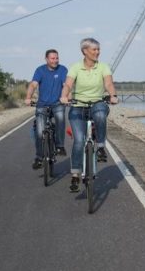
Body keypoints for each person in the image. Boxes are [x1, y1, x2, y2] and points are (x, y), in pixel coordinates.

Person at [59, 38, 118, 192]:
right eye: (94, 50)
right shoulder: (76, 67)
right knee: (79, 141)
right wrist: (64, 96)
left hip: (97, 103)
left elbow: (108, 84)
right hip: (78, 106)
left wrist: (113, 95)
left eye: (98, 49)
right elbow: (68, 84)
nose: (97, 52)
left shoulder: (103, 67)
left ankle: (100, 147)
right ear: (85, 51)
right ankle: (75, 175)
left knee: (100, 114)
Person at [25, 49, 68, 170]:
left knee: (60, 118)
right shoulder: (40, 70)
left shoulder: (63, 69)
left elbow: (66, 85)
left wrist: (67, 97)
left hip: (57, 104)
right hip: (42, 105)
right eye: (52, 58)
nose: (55, 60)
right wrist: (28, 98)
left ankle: (59, 146)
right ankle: (39, 157)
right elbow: (33, 84)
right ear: (46, 59)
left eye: (57, 58)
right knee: (39, 132)